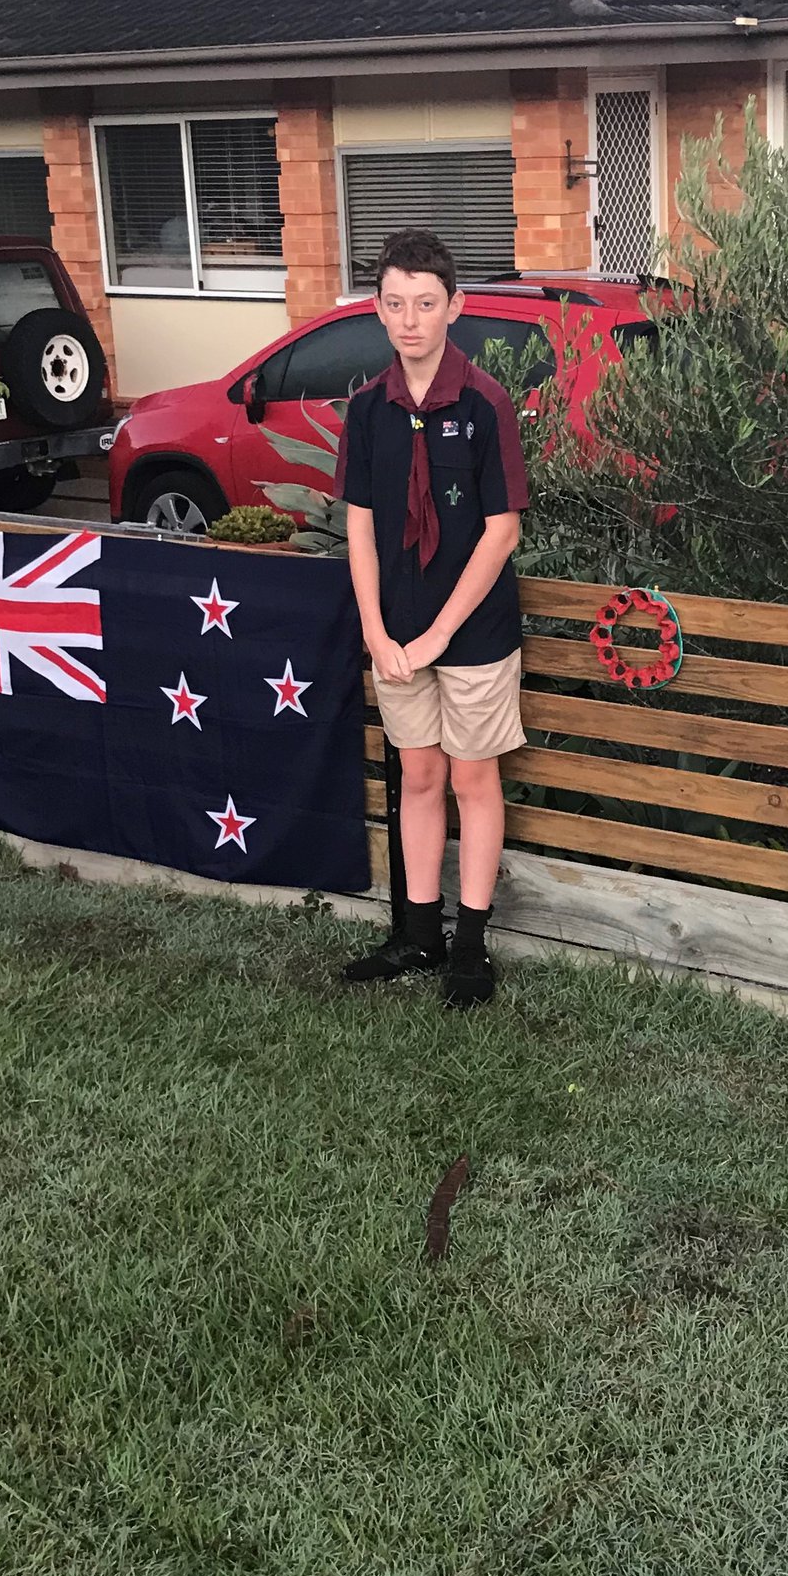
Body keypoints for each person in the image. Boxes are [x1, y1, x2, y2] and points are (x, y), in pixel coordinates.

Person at [333, 228, 528, 1009]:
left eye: (424, 303)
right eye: (394, 305)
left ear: (455, 307)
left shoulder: (485, 404)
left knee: (474, 779)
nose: (409, 319)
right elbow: (359, 524)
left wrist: (440, 633)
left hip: (470, 633)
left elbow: (502, 529)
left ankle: (471, 946)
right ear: (378, 312)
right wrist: (378, 631)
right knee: (418, 775)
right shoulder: (368, 410)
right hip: (396, 634)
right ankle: (418, 932)